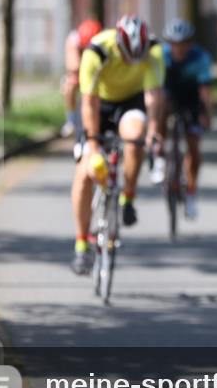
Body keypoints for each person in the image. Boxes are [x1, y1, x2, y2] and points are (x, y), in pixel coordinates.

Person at [70, 14, 165, 276]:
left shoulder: (154, 52)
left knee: (135, 137)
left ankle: (128, 197)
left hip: (131, 102)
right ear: (119, 44)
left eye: (138, 56)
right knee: (85, 172)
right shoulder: (97, 51)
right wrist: (91, 143)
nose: (132, 61)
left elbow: (154, 97)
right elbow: (88, 100)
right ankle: (81, 243)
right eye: (127, 55)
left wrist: (154, 131)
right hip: (98, 103)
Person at [157, 19, 213, 219]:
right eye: (174, 43)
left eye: (182, 43)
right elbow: (153, 88)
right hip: (168, 97)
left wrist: (207, 114)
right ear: (169, 43)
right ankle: (159, 155)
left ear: (190, 43)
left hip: (191, 100)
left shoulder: (200, 57)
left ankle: (190, 192)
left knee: (194, 147)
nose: (178, 48)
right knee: (160, 109)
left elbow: (205, 90)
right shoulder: (160, 55)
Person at [61, 19, 102, 137]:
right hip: (79, 72)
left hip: (96, 70)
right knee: (70, 84)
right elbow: (73, 66)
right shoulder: (73, 40)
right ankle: (71, 120)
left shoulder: (101, 42)